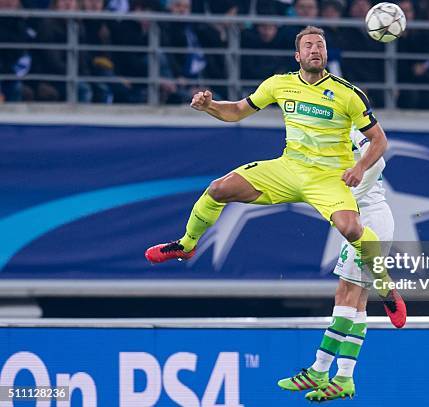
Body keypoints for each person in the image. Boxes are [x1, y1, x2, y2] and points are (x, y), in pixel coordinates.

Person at [145, 23, 406, 340]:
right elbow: (237, 111)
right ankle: (186, 246)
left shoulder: (348, 94)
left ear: (326, 53)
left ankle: (385, 285)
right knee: (219, 188)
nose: (315, 50)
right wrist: (210, 106)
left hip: (328, 177)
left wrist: (361, 167)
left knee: (351, 228)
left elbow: (379, 141)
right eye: (309, 45)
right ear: (298, 55)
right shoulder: (279, 85)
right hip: (288, 168)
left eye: (320, 45)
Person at [277, 128, 393, 401]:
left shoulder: (349, 127)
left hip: (368, 220)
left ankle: (319, 369)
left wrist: (353, 191)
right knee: (359, 301)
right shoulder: (321, 134)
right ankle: (344, 376)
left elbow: (378, 161)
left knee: (346, 295)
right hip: (362, 219)